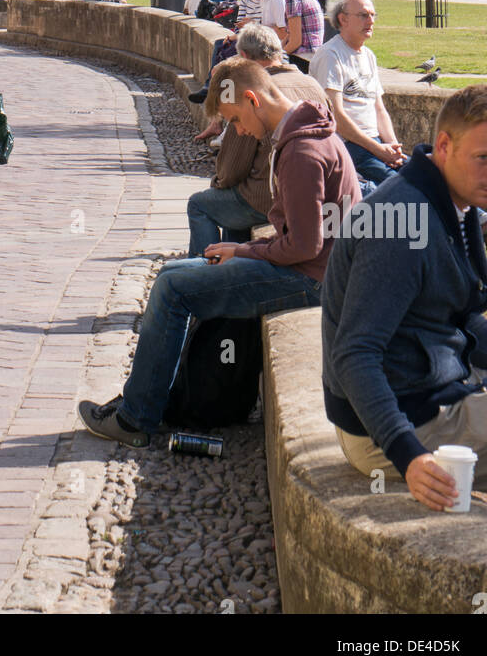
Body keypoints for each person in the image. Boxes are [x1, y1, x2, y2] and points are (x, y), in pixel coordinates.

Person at [78, 58, 360, 446]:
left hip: (313, 281)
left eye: (235, 120)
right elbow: (301, 236)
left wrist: (245, 251)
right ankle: (150, 399)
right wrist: (243, 248)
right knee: (174, 276)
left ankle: (136, 418)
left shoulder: (300, 152)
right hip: (319, 270)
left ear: (251, 98)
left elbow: (304, 245)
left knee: (172, 289)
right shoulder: (305, 133)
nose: (238, 131)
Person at [323, 85, 487, 508]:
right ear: (444, 145)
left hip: (423, 401)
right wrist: (409, 456)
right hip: (402, 426)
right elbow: (354, 354)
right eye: (484, 158)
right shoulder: (404, 224)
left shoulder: (442, 201)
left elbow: (457, 316)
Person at [187, 24, 329, 256]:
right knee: (231, 206)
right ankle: (232, 264)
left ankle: (203, 273)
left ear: (243, 57)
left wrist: (218, 182)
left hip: (266, 197)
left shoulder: (252, 96)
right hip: (310, 194)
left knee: (200, 204)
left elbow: (232, 167)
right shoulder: (312, 84)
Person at [309, 0, 404, 187]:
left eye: (372, 15)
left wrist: (394, 148)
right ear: (343, 19)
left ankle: (475, 216)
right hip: (349, 146)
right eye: (363, 15)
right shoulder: (330, 56)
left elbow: (379, 109)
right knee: (402, 187)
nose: (371, 21)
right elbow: (336, 117)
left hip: (375, 143)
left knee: (428, 175)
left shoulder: (368, 56)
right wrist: (378, 150)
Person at [269, 0, 324, 73]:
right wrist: (278, 50)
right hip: (313, 55)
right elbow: (291, 34)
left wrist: (276, 58)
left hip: (304, 58)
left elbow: (296, 41)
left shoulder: (293, 0)